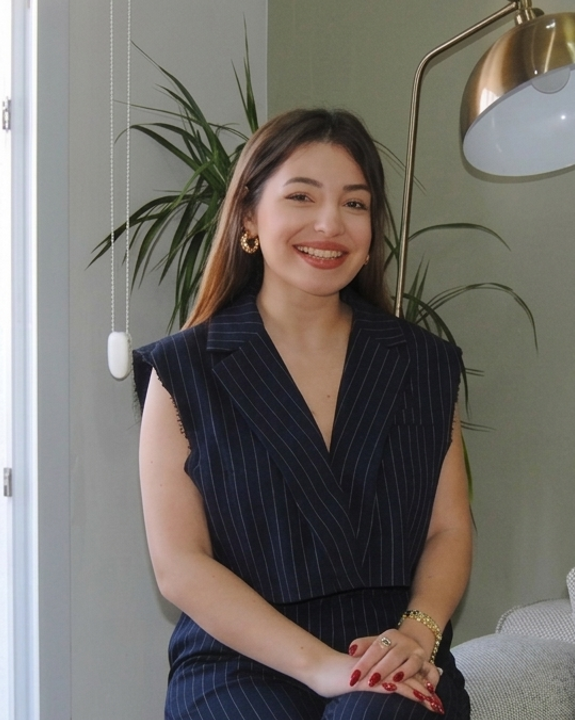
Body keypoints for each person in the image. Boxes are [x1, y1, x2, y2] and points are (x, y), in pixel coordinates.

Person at [134, 108, 472, 719]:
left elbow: (449, 528)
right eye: (301, 196)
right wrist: (322, 666)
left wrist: (417, 633)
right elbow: (180, 565)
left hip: (387, 645)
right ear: (248, 216)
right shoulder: (183, 370)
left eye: (354, 203)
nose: (330, 223)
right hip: (237, 658)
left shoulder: (423, 363)